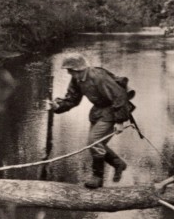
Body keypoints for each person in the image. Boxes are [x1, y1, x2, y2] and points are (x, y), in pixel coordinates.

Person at [48, 54, 131, 188]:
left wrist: (120, 121)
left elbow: (119, 95)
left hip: (111, 111)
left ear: (78, 69)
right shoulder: (77, 79)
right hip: (98, 112)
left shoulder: (98, 76)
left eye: (70, 70)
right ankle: (118, 163)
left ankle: (97, 177)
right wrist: (58, 106)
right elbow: (73, 99)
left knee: (94, 142)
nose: (69, 73)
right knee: (97, 143)